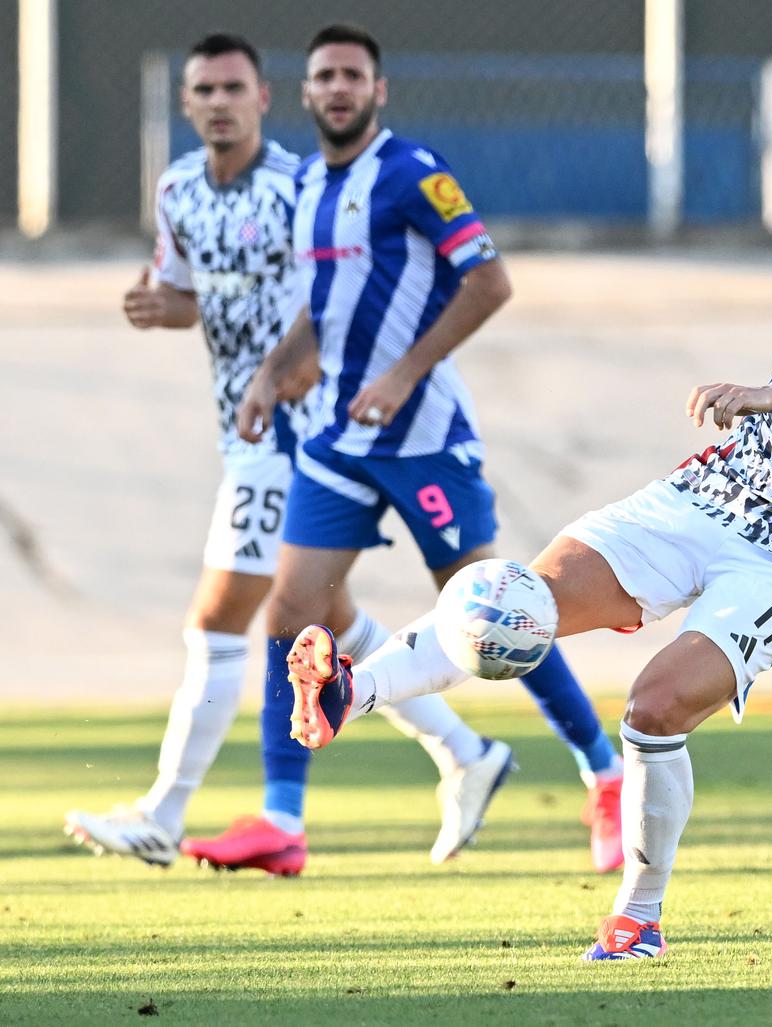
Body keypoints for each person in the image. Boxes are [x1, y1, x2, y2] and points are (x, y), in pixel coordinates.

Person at [278, 110, 772, 960]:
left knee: (655, 704)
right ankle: (353, 692)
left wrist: (770, 397)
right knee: (511, 601)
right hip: (706, 496)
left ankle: (638, 916)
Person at [60, 32, 506, 873]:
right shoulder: (178, 188)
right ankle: (466, 751)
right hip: (244, 424)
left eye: (235, 88)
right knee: (321, 620)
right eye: (205, 90)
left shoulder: (300, 185)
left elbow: (341, 292)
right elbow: (192, 295)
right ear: (186, 103)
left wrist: (301, 371)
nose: (220, 102)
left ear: (265, 99)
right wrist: (166, 308)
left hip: (305, 429)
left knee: (224, 617)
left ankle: (168, 811)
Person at [190, 23, 623, 875]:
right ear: (306, 93)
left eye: (354, 74)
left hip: (425, 441)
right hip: (339, 442)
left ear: (378, 90)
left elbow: (490, 280)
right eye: (326, 76)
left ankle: (605, 775)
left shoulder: (414, 174)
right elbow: (327, 305)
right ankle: (283, 820)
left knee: (501, 614)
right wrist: (272, 373)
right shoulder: (311, 183)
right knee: (292, 611)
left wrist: (401, 374)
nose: (340, 87)